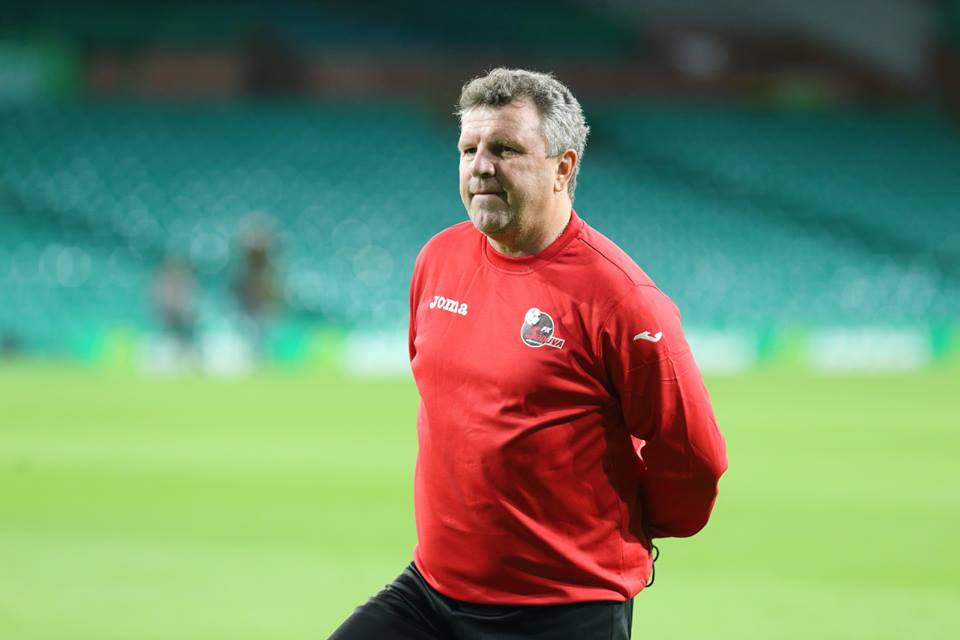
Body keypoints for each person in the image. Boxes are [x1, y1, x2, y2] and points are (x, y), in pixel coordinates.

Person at [330, 68, 728, 640]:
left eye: (505, 149)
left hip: (560, 608)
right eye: (469, 149)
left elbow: (693, 456)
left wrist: (624, 530)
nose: (480, 166)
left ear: (563, 167)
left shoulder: (622, 298)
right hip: (432, 591)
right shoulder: (438, 260)